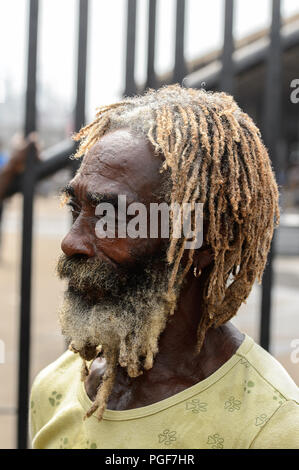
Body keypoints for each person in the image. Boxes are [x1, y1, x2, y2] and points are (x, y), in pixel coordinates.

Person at [29, 85, 298, 449]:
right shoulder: (54, 391)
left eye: (112, 217)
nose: (70, 242)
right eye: (77, 210)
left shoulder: (270, 427)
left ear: (203, 241)